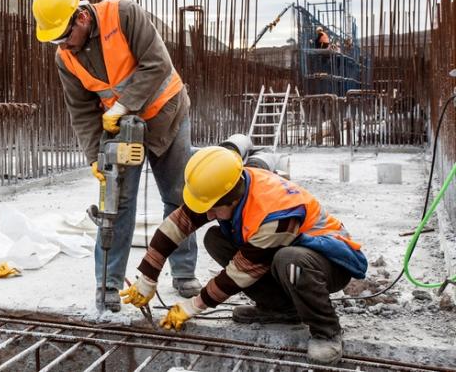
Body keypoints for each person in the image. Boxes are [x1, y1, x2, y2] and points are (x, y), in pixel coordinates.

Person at [31, 0, 201, 312]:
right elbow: (80, 109)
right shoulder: (65, 58)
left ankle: (183, 273)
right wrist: (95, 154)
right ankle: (107, 282)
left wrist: (122, 106)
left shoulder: (124, 15)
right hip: (122, 130)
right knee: (116, 204)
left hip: (168, 114)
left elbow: (157, 64)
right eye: (56, 40)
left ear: (80, 17)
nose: (63, 44)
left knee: (179, 197)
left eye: (65, 35)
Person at [120, 146, 367, 364]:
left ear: (231, 199)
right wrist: (147, 278)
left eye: (214, 209)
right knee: (216, 239)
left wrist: (193, 306)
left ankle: (327, 331)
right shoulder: (228, 186)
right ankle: (279, 310)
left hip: (327, 263)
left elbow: (241, 271)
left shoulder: (275, 215)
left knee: (289, 260)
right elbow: (176, 225)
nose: (210, 214)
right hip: (281, 253)